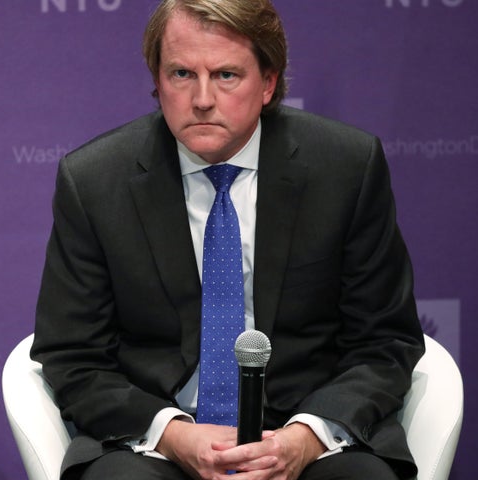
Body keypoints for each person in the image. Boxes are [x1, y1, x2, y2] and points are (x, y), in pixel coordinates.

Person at [31, 1, 425, 479]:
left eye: (225, 75)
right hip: (156, 440)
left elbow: (385, 341)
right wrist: (172, 434)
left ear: (268, 83)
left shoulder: (345, 166)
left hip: (308, 432)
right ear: (156, 82)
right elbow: (73, 355)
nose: (201, 98)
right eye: (180, 73)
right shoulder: (95, 180)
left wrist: (305, 438)